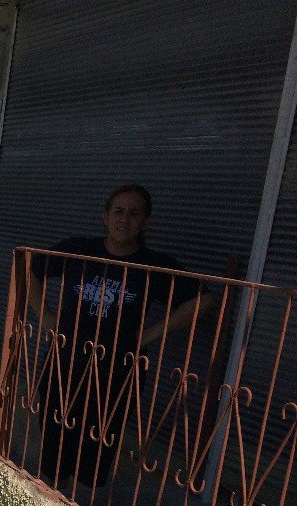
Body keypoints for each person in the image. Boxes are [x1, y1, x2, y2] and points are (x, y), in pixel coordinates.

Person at [27, 184, 212, 490]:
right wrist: (44, 315)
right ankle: (47, 492)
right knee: (54, 429)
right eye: (119, 211)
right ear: (105, 217)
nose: (125, 219)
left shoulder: (154, 265)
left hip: (118, 368)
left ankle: (80, 505)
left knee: (99, 439)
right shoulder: (77, 250)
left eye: (134, 213)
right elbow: (30, 268)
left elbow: (204, 301)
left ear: (146, 222)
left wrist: (152, 332)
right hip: (67, 358)